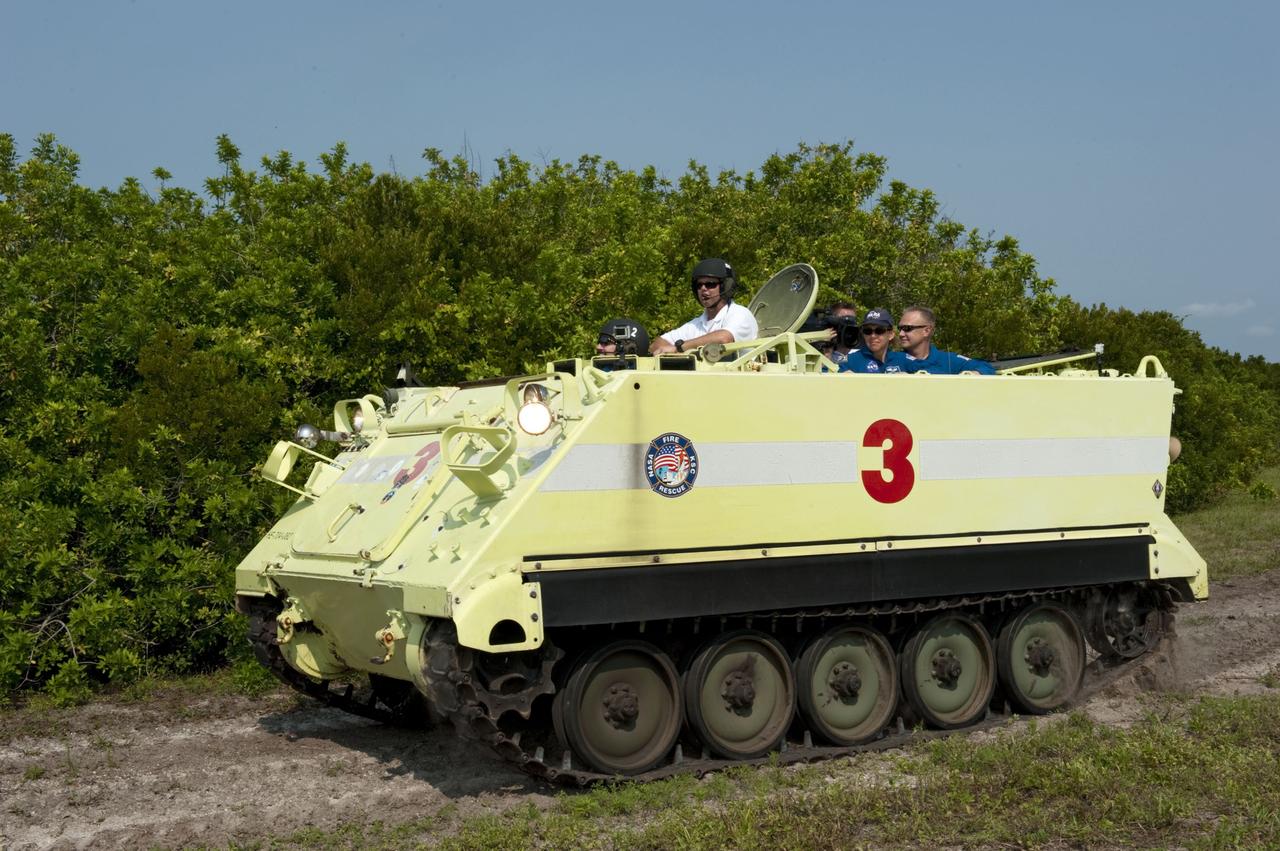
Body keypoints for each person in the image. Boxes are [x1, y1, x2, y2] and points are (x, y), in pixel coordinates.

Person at [650, 258, 758, 354]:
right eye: (699, 285)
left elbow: (724, 339)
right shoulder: (697, 324)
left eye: (710, 284)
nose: (703, 289)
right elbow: (656, 345)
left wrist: (679, 348)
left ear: (725, 286)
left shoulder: (740, 314)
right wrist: (669, 351)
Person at [896, 305, 996, 375]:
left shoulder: (948, 360)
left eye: (907, 329)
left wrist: (973, 374)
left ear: (926, 331)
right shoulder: (891, 360)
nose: (901, 334)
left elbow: (987, 368)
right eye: (900, 328)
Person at [839, 308, 907, 373]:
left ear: (891, 335)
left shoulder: (903, 359)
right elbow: (830, 371)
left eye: (879, 330)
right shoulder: (850, 361)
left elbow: (918, 367)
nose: (873, 336)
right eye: (867, 331)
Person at [825, 301, 861, 366]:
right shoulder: (822, 352)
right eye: (843, 320)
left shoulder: (861, 353)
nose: (848, 325)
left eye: (852, 320)